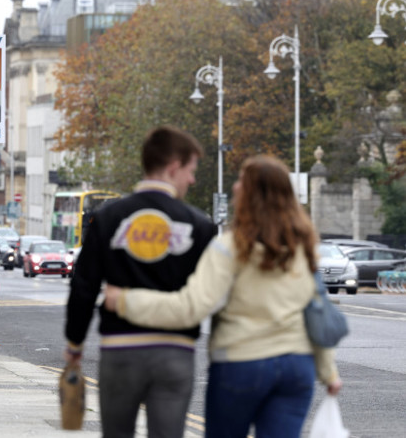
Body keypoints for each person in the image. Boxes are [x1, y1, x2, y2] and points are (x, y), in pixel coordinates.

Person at [104, 155, 343, 438]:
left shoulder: (231, 247)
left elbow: (190, 307)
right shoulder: (303, 247)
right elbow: (316, 311)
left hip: (241, 363)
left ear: (253, 193)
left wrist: (124, 300)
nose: (236, 186)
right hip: (296, 368)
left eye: (242, 180)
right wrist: (329, 372)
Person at [64, 126, 217, 437]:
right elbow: (209, 296)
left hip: (121, 350)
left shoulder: (108, 218)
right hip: (176, 353)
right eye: (190, 170)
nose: (192, 180)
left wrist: (75, 343)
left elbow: (84, 286)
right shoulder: (200, 226)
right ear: (173, 167)